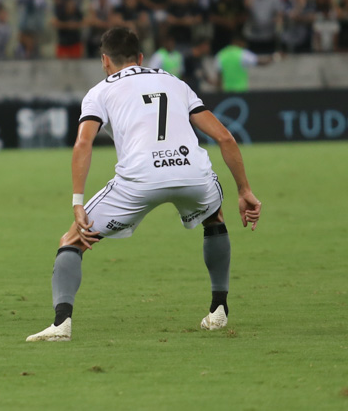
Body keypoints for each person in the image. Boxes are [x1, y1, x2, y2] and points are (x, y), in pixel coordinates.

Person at [26, 27, 262, 342]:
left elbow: (83, 143)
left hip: (139, 179)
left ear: (104, 60)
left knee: (72, 239)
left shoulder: (99, 92)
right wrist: (244, 190)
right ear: (140, 58)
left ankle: (61, 324)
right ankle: (219, 310)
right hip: (191, 171)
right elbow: (225, 137)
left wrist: (77, 202)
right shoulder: (175, 82)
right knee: (214, 218)